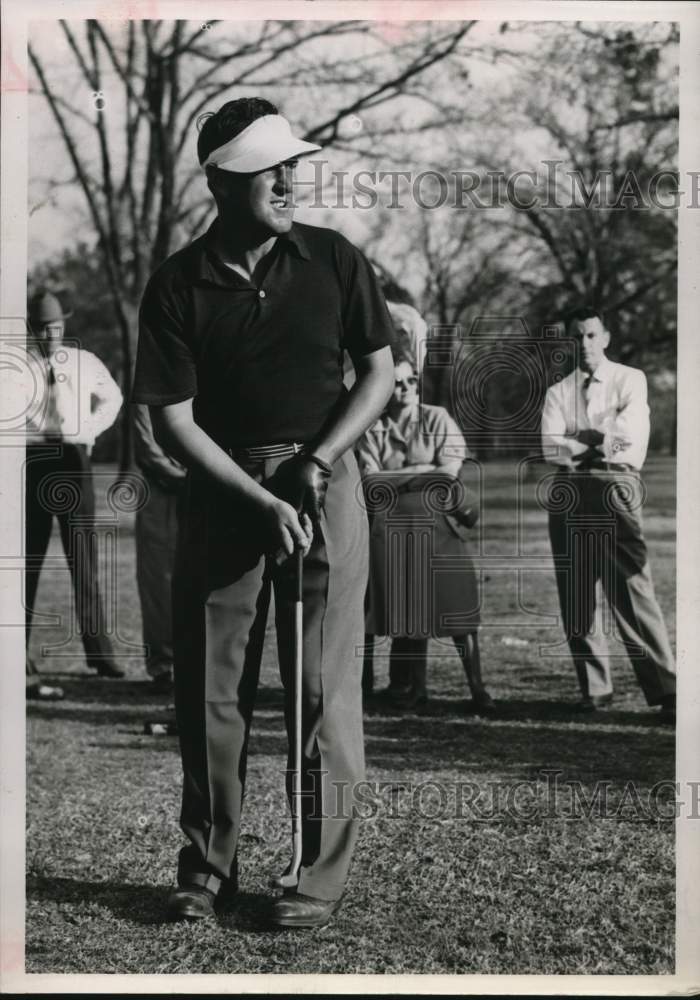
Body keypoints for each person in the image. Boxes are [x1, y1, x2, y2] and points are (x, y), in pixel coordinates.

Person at [131, 98, 395, 929]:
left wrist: (315, 463)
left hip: (326, 483)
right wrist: (253, 495)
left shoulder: (333, 258)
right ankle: (206, 870)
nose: (287, 181)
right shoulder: (178, 283)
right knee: (211, 692)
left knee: (323, 686)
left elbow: (378, 374)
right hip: (223, 493)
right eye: (265, 170)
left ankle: (315, 876)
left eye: (291, 166)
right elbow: (174, 417)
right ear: (219, 179)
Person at [540, 306, 676, 720]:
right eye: (577, 337)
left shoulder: (628, 379)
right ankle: (595, 690)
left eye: (592, 336)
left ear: (606, 337)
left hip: (615, 485)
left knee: (633, 590)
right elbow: (550, 447)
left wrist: (584, 439)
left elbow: (629, 441)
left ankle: (667, 690)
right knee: (577, 594)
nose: (584, 345)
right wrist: (598, 436)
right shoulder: (558, 392)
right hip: (569, 491)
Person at [357, 356, 494, 714]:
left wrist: (403, 478)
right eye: (397, 383)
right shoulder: (373, 426)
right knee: (408, 611)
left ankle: (478, 688)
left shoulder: (436, 418)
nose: (405, 389)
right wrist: (423, 471)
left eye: (410, 381)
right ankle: (413, 687)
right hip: (391, 531)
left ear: (419, 384)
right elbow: (369, 482)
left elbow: (449, 472)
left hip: (439, 527)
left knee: (458, 608)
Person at [25, 290, 124, 697]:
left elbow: (113, 399)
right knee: (28, 558)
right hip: (33, 462)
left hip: (74, 459)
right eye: (44, 329)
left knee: (83, 556)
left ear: (64, 327)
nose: (51, 336)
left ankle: (99, 653)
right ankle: (16, 654)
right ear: (33, 331)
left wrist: (88, 431)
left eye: (57, 328)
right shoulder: (20, 370)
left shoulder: (83, 363)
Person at [132, 403, 186, 694]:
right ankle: (163, 665)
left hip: (206, 490)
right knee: (158, 581)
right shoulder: (145, 397)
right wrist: (187, 478)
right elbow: (147, 449)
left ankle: (202, 663)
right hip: (161, 495)